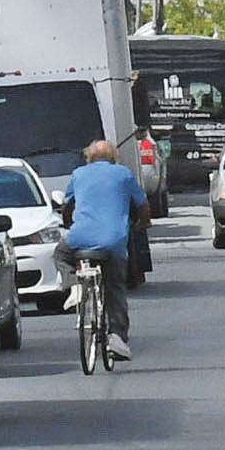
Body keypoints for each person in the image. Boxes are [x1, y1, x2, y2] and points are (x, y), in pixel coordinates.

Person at [61, 135, 149, 361]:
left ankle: (75, 286)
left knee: (60, 253)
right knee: (115, 288)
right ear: (113, 157)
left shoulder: (78, 174)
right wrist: (142, 223)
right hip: (113, 241)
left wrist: (70, 224)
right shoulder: (123, 174)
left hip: (80, 237)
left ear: (88, 157)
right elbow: (142, 205)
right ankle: (117, 337)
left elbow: (66, 206)